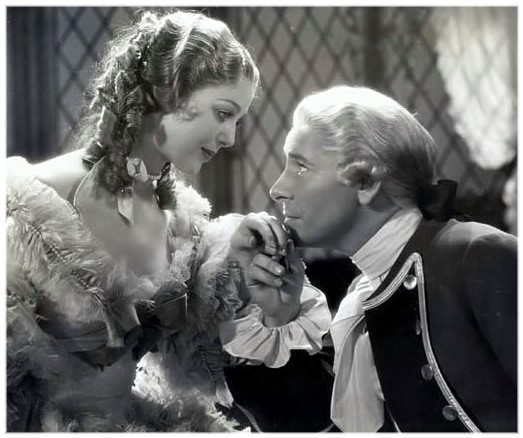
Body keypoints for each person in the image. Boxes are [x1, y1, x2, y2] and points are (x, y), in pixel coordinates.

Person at [6, 10, 331, 432]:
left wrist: (251, 276)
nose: (230, 138)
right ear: (168, 93)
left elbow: (203, 352)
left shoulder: (180, 223)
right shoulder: (33, 201)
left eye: (237, 120)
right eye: (223, 113)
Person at [244, 85, 517, 432]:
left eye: (300, 167)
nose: (278, 188)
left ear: (366, 182)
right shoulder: (363, 296)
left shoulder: (477, 254)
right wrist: (280, 315)